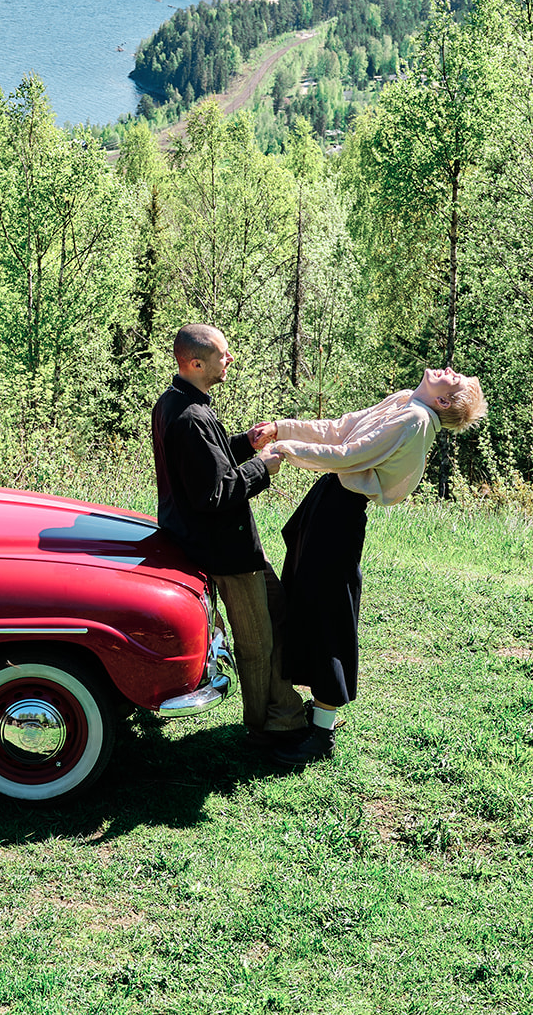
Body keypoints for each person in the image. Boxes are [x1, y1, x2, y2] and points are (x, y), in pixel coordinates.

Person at [251, 366, 488, 766]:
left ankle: (320, 736)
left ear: (443, 401)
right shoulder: (404, 401)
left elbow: (349, 455)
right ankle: (312, 714)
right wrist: (281, 427)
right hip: (328, 501)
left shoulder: (414, 419)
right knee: (306, 600)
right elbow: (342, 428)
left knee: (329, 613)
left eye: (454, 378)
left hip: (340, 514)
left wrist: (287, 449)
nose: (449, 370)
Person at [151, 324, 308, 750]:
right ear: (195, 363)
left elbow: (208, 463)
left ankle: (285, 709)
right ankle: (267, 728)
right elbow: (214, 493)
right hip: (224, 548)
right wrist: (264, 467)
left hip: (228, 542)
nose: (230, 359)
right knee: (256, 640)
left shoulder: (178, 403)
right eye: (224, 354)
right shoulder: (188, 417)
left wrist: (245, 443)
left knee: (276, 614)